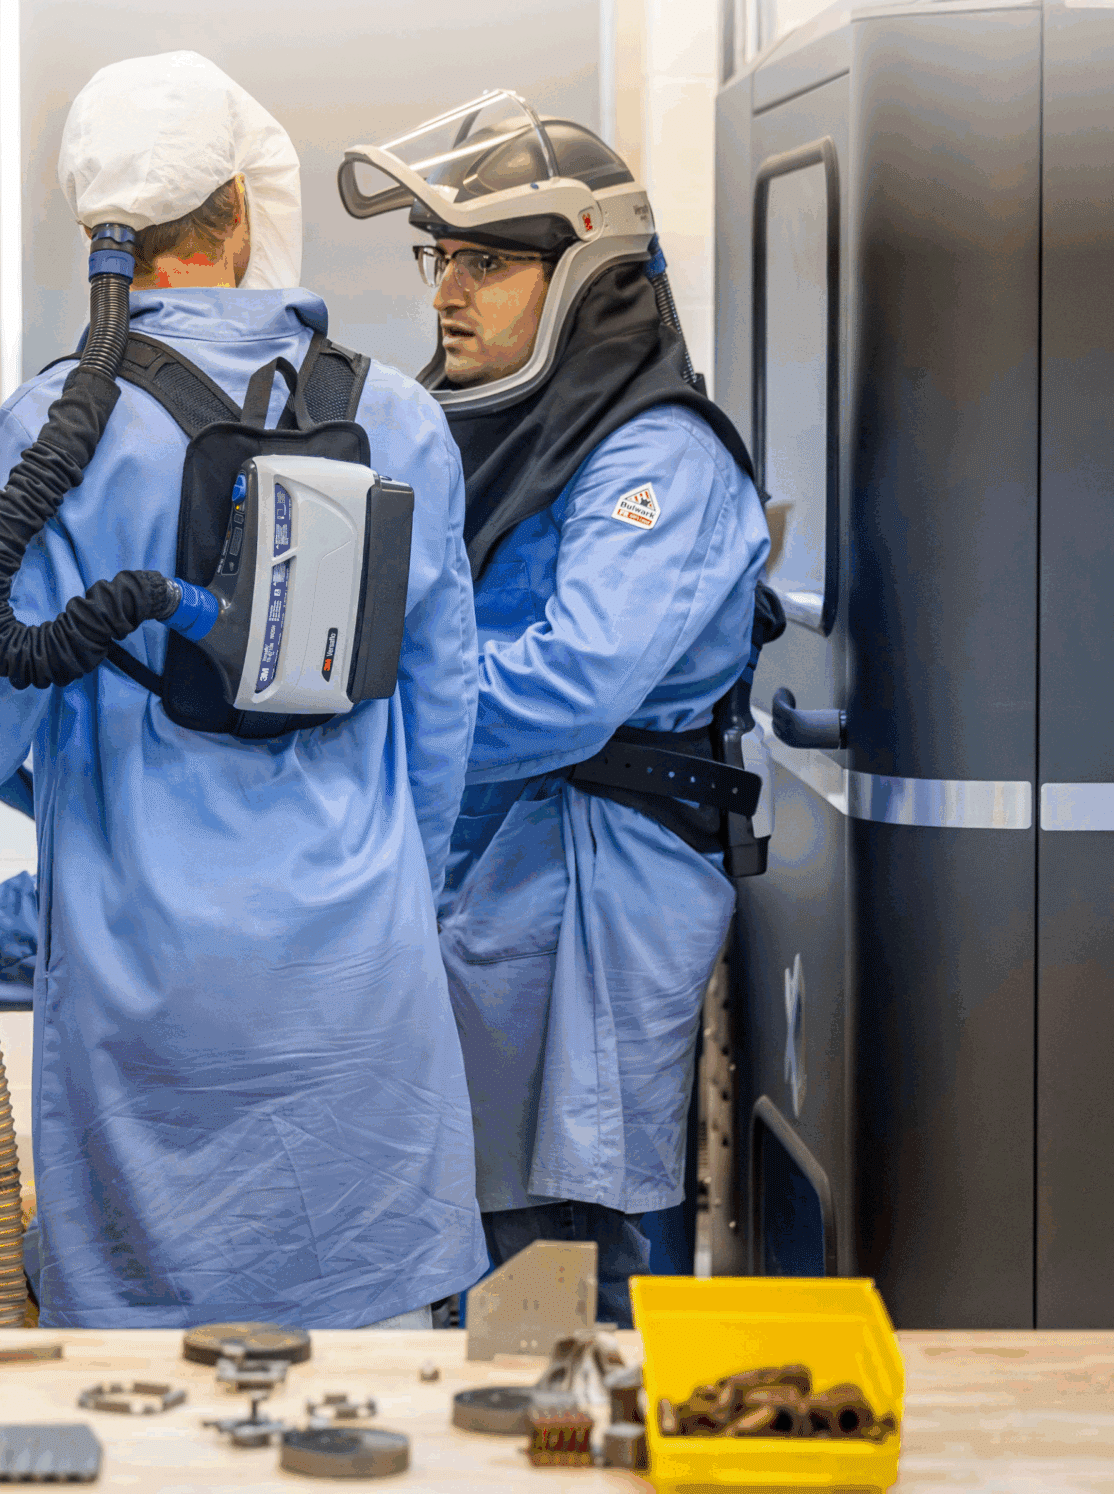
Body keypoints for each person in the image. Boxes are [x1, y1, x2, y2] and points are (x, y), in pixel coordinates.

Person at [0, 51, 484, 1329]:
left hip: (157, 1014)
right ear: (244, 211)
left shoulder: (57, 428)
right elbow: (444, 726)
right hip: (360, 1001)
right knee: (374, 1406)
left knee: (151, 1418)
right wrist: (396, 893)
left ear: (101, 235)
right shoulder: (399, 421)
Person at [338, 95, 771, 1322]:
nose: (446, 293)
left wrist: (355, 735)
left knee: (565, 1296)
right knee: (480, 1260)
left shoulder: (655, 459)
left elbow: (569, 690)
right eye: (442, 257)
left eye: (484, 260)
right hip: (500, 907)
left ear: (582, 272)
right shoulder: (513, 433)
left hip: (592, 920)